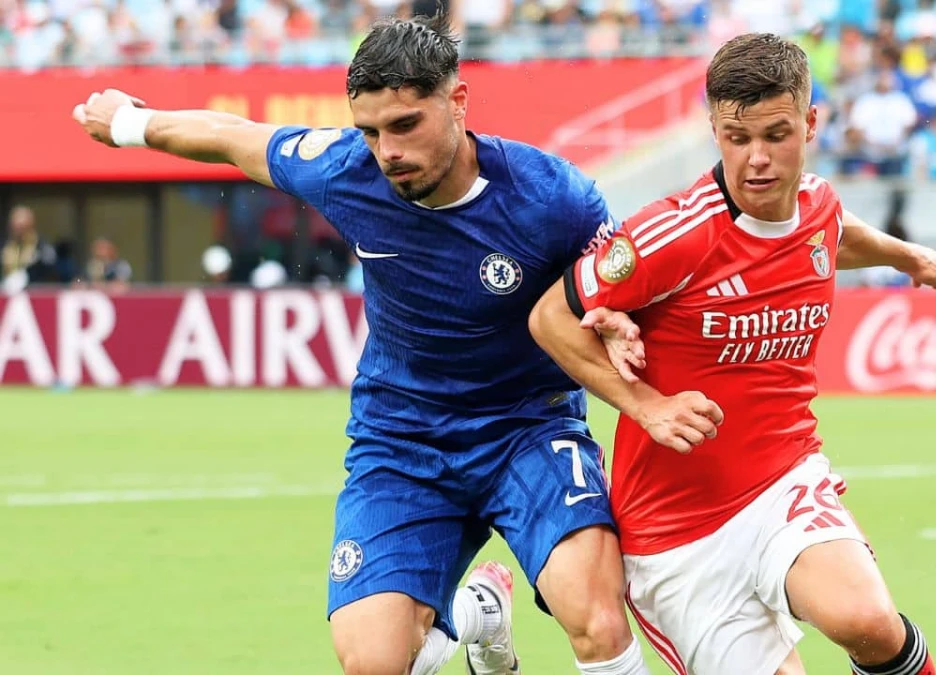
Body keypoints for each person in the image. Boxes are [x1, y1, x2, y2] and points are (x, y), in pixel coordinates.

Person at [71, 15, 652, 675]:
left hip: (527, 426)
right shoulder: (347, 171)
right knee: (372, 662)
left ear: (458, 101)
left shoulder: (554, 196)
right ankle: (472, 624)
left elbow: (629, 280)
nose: (387, 151)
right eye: (369, 131)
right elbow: (233, 137)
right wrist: (129, 123)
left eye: (405, 125)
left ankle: (473, 615)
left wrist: (614, 313)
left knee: (600, 620)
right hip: (401, 439)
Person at [529, 33, 936, 675]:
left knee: (865, 621)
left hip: (783, 479)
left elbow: (836, 233)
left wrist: (906, 256)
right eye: (737, 140)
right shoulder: (671, 235)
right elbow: (550, 318)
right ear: (714, 131)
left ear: (810, 124)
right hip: (676, 535)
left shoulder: (817, 204)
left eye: (776, 135)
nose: (757, 159)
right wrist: (646, 406)